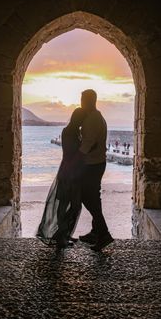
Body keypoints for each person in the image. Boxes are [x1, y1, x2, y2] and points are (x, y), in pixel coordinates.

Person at [36, 107, 87, 249]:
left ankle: (63, 233)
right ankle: (61, 236)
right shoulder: (68, 132)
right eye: (82, 118)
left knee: (75, 204)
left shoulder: (76, 132)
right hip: (69, 171)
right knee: (64, 203)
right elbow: (70, 152)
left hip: (73, 171)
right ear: (78, 118)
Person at [78, 89, 114, 251]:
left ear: (90, 101)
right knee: (94, 197)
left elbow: (89, 144)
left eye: (83, 99)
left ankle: (104, 233)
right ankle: (95, 231)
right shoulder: (97, 117)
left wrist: (75, 159)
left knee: (87, 197)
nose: (81, 102)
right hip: (97, 162)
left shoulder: (92, 119)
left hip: (92, 164)